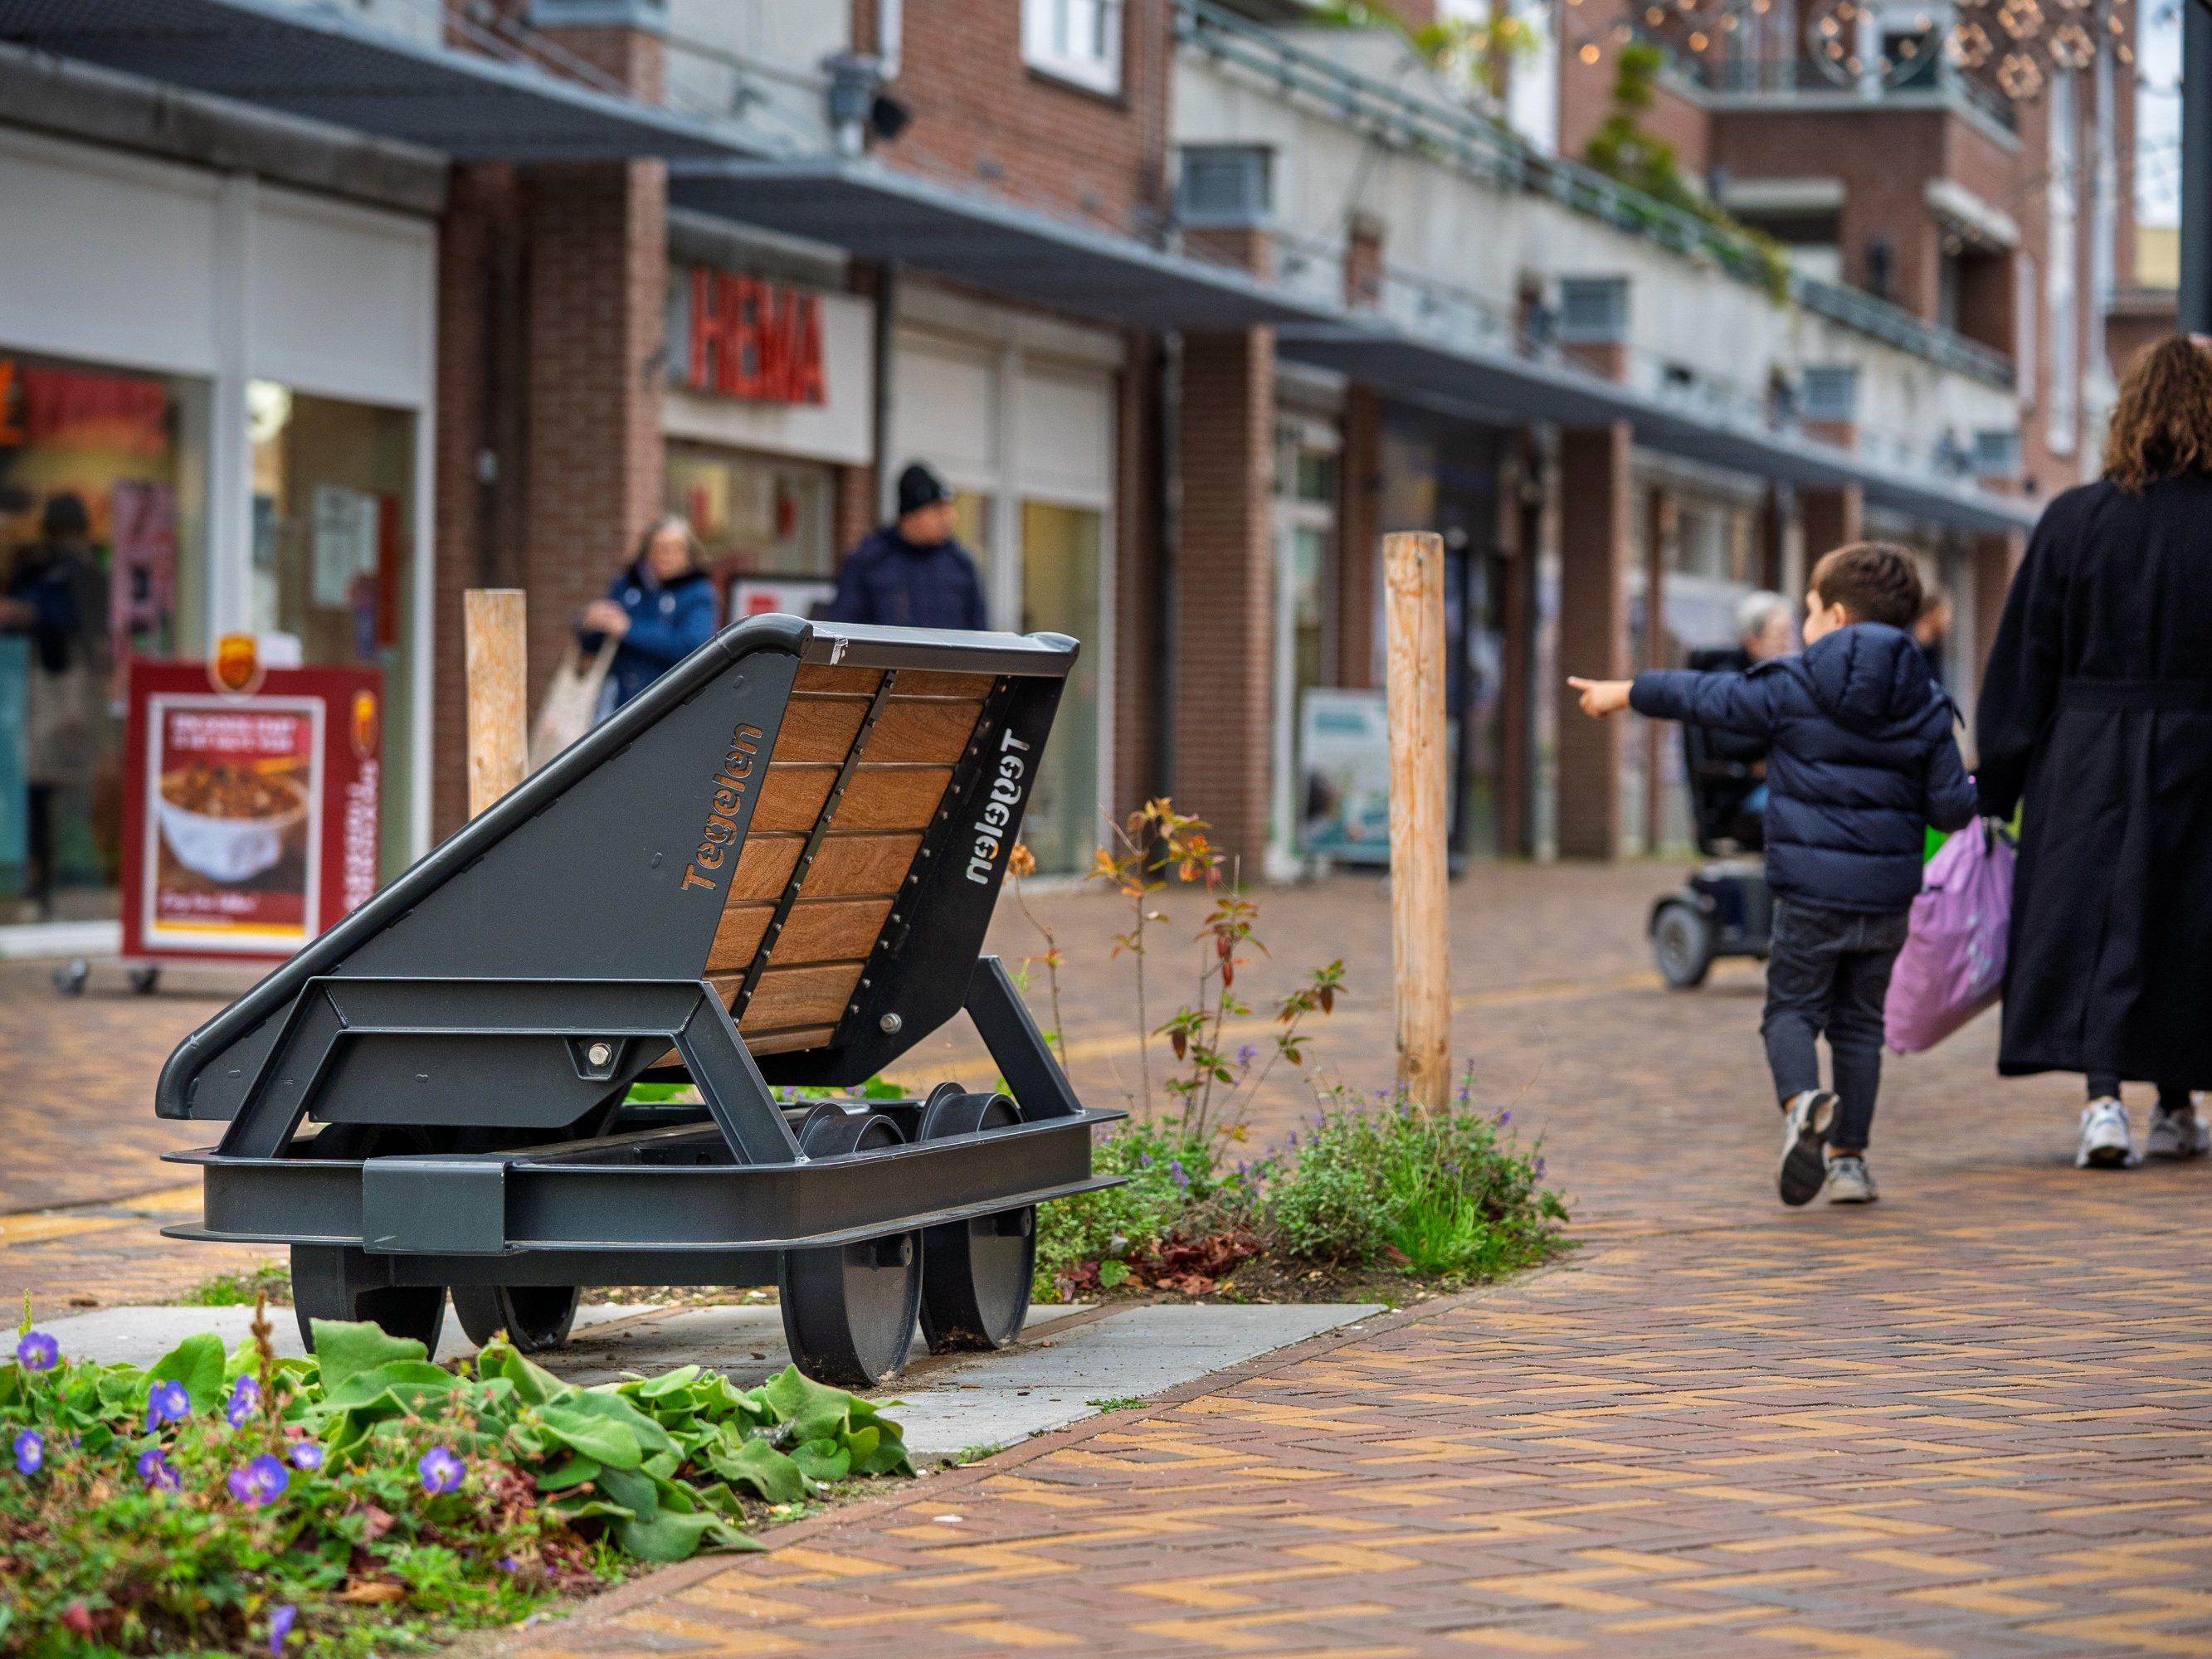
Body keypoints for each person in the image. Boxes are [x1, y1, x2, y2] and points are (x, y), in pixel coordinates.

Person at [1571, 543, 1976, 1206]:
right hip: (1887, 900)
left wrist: (1626, 692)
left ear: (1837, 616)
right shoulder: (1927, 702)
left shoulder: (1793, 683)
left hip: (1810, 894)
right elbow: (1952, 809)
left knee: (1791, 1008)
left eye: (1809, 608)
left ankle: (1801, 1102)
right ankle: (1849, 1162)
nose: (1804, 619)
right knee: (1859, 1026)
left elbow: (1710, 696)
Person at [1976, 335, 2212, 1170]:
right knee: (2182, 922)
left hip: (2085, 749)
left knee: (2097, 920)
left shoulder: (2074, 518)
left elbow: (2025, 655)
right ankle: (2176, 1106)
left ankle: (2101, 1101)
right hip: (2196, 739)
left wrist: (1995, 779)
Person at [1, 493, 108, 918]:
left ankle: (52, 885)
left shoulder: (64, 572)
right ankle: (50, 885)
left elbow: (63, 620)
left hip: (49, 694)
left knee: (48, 792)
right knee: (50, 794)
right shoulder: (64, 569)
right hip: (47, 697)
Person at [579, 515, 718, 713]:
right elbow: (595, 646)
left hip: (673, 703)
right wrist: (590, 623)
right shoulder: (627, 585)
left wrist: (628, 629)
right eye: (660, 548)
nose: (666, 556)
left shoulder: (699, 593)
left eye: (675, 549)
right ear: (647, 553)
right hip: (619, 702)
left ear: (688, 554)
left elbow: (691, 647)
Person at [826, 462, 988, 630]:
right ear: (911, 516)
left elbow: (979, 631)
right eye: (938, 510)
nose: (949, 519)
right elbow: (844, 629)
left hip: (949, 658)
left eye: (949, 510)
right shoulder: (869, 561)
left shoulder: (959, 563)